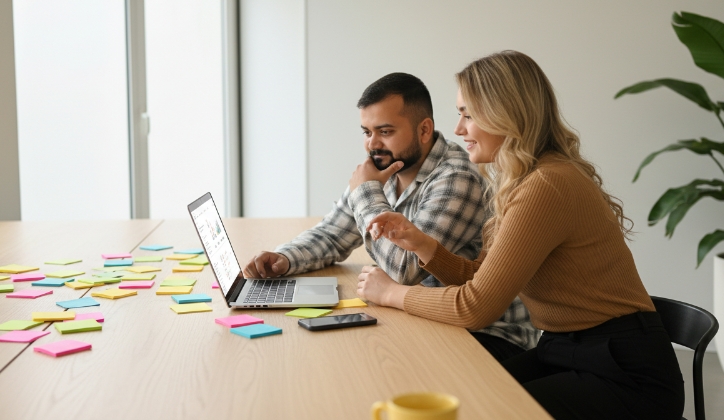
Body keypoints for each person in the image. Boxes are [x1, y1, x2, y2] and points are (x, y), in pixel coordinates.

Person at [357, 52, 685, 420]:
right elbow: (480, 279)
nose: (459, 128)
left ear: (506, 114)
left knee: (480, 410)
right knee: (460, 399)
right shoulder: (525, 179)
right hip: (565, 350)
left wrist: (392, 293)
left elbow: (475, 307)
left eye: (468, 114)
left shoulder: (547, 184)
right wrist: (423, 245)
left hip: (623, 373)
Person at [243, 72, 539, 361]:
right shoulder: (382, 168)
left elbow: (405, 269)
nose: (372, 144)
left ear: (424, 130)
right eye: (367, 132)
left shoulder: (457, 178)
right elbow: (332, 234)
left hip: (486, 334)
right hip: (423, 318)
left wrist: (366, 192)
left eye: (385, 132)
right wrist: (284, 259)